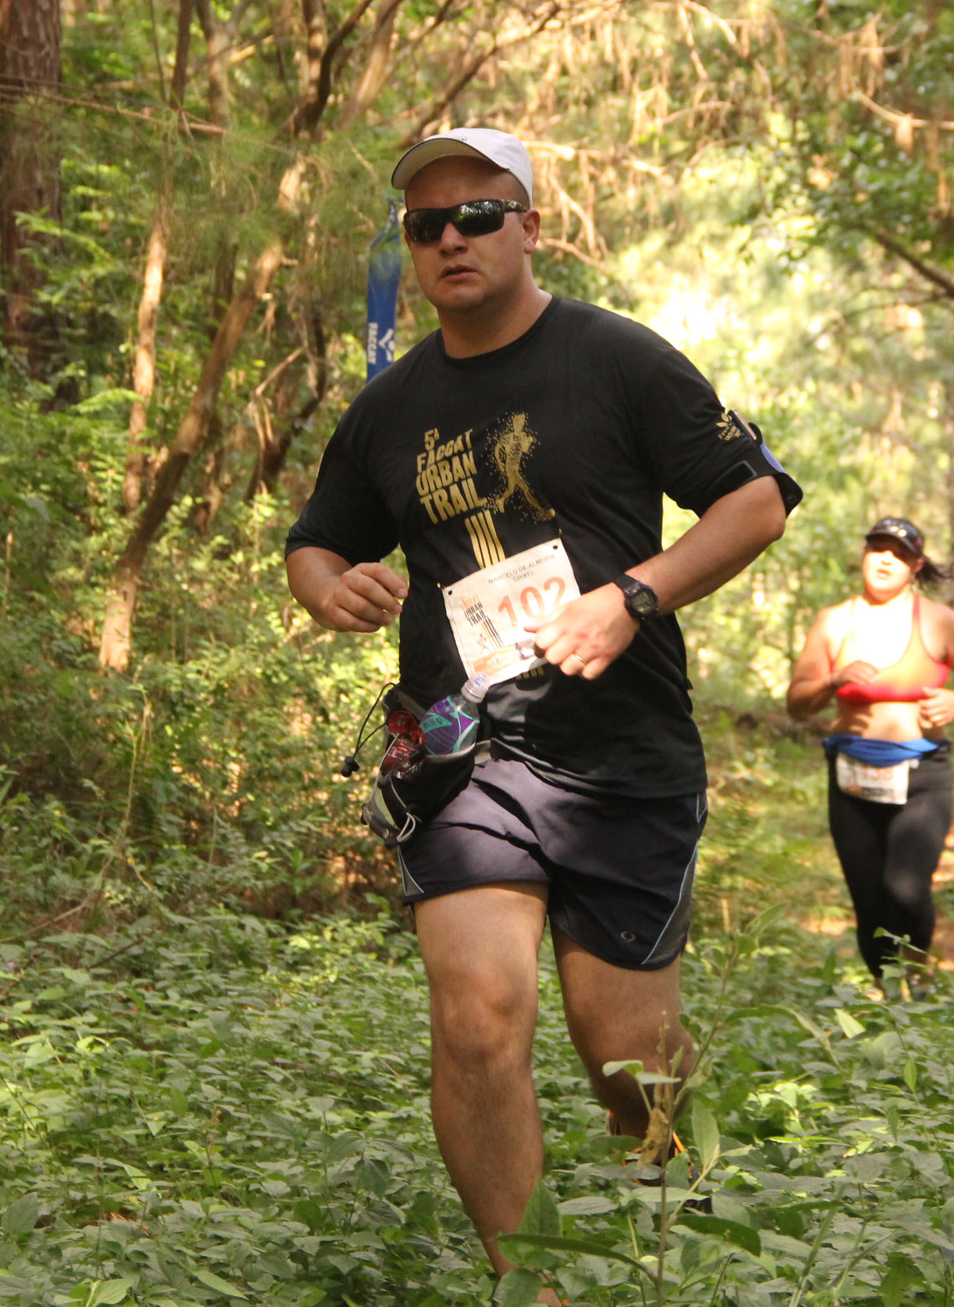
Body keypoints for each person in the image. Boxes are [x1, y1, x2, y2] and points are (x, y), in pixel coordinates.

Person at [283, 126, 801, 1295]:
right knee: (476, 1015)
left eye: (477, 214)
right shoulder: (393, 405)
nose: (450, 238)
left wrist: (633, 595)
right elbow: (315, 539)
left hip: (619, 753)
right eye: (426, 224)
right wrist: (331, 589)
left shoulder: (617, 360)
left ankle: (677, 1245)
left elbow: (754, 501)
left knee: (627, 1057)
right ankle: (532, 1285)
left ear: (529, 226)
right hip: (459, 753)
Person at [786, 516, 954, 996]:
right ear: (864, 555)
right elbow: (797, 704)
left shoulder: (940, 621)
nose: (885, 559)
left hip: (923, 773)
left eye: (898, 554)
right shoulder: (834, 622)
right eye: (876, 548)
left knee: (906, 888)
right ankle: (889, 996)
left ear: (915, 566)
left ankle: (918, 974)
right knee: (869, 900)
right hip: (852, 775)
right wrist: (833, 681)